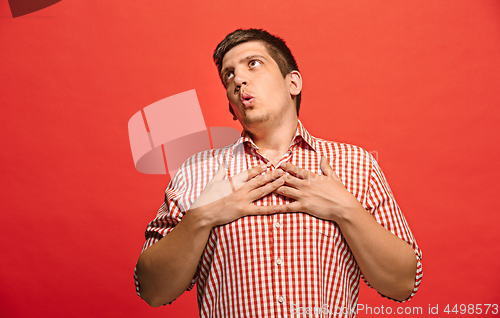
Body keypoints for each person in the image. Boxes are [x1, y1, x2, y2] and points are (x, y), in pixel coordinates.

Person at [134, 28, 422, 317]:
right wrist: (200, 218)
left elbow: (403, 283)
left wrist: (346, 209)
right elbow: (152, 290)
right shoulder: (197, 172)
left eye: (253, 64)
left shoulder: (355, 165)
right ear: (231, 108)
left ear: (292, 83)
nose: (239, 80)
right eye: (228, 75)